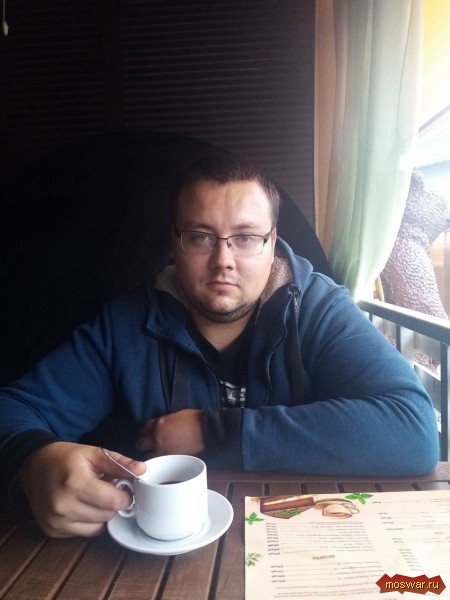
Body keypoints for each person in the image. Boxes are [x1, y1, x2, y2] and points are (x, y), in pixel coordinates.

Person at [0, 152, 439, 539]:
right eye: (201, 236)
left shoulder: (318, 310)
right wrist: (32, 462)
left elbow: (413, 432)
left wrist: (213, 431)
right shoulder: (125, 325)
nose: (223, 260)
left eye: (245, 237)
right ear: (175, 243)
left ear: (272, 242)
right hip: (154, 553)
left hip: (301, 537)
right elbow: (14, 410)